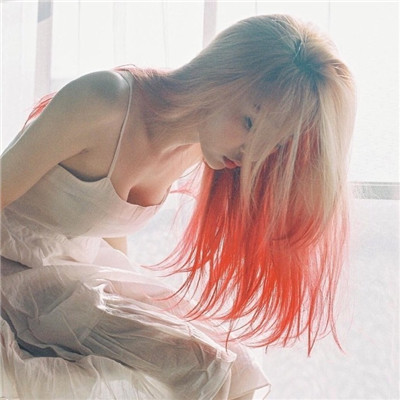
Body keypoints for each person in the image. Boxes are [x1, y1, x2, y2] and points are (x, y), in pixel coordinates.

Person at [0, 14, 356, 400]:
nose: (251, 153)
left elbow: (102, 219)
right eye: (250, 123)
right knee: (209, 369)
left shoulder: (195, 149)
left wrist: (129, 294)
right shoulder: (103, 100)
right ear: (221, 74)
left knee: (238, 366)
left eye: (271, 143)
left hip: (73, 274)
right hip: (17, 273)